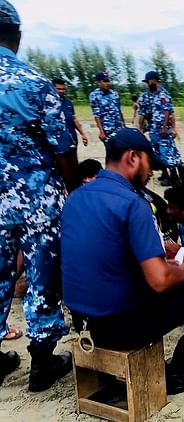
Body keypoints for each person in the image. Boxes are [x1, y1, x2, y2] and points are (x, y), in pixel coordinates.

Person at [61, 127, 184, 395]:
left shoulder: (76, 196)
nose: (151, 173)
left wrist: (170, 264)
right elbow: (159, 281)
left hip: (85, 321)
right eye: (150, 164)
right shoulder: (132, 203)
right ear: (133, 158)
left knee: (173, 276)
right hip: (119, 328)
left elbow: (111, 257)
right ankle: (181, 369)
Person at [0, 0, 71, 391]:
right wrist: (74, 192)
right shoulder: (34, 82)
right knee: (43, 272)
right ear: (18, 36)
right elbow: (63, 149)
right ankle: (42, 365)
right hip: (34, 199)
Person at [139, 70, 183, 187]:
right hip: (153, 129)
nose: (148, 84)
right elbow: (142, 113)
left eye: (149, 81)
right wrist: (141, 128)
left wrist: (166, 127)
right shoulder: (145, 96)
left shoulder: (163, 94)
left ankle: (174, 176)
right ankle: (165, 174)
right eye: (147, 82)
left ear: (154, 80)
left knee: (168, 152)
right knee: (157, 152)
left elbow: (168, 111)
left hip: (163, 129)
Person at [51, 78, 89, 192]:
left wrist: (83, 133)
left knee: (75, 171)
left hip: (71, 142)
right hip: (57, 145)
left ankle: (77, 193)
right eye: (59, 89)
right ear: (52, 88)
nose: (62, 91)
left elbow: (73, 118)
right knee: (64, 173)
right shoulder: (48, 103)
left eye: (63, 89)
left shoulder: (68, 102)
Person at [89, 71, 125, 144]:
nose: (107, 83)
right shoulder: (94, 96)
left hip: (119, 128)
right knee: (111, 151)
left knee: (123, 150)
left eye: (108, 81)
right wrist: (101, 132)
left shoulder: (114, 94)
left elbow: (119, 111)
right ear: (98, 82)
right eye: (105, 81)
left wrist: (124, 125)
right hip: (107, 129)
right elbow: (97, 115)